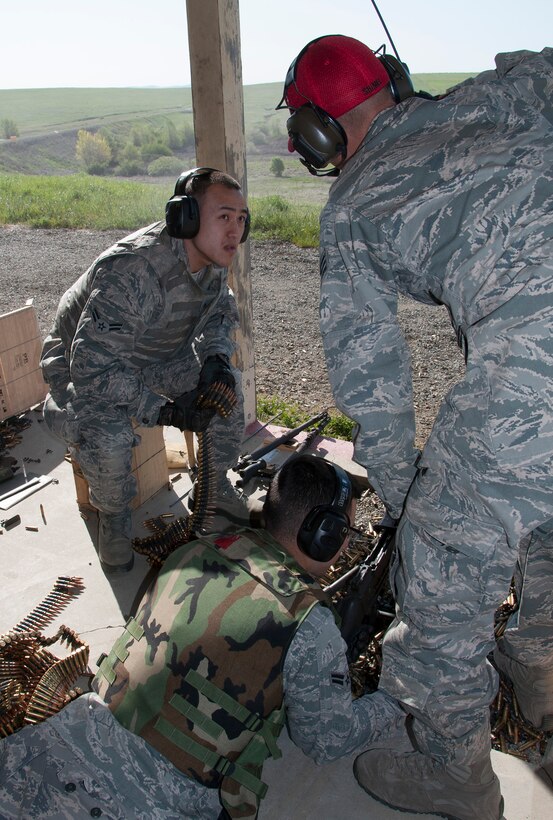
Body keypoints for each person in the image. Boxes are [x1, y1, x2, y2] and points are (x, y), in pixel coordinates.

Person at [278, 34, 553, 820]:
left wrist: (408, 508)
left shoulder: (353, 205)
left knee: (436, 585)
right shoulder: (494, 97)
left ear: (315, 134)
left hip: (533, 353)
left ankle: (452, 774)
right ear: (393, 82)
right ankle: (537, 672)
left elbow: (375, 382)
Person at [0, 454, 406, 819]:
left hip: (64, 737)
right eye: (346, 532)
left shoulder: (195, 551)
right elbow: (328, 741)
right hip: (146, 800)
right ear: (325, 536)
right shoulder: (310, 627)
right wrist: (396, 698)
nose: (349, 542)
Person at [40, 167, 253, 575]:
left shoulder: (212, 256)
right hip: (83, 369)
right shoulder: (134, 270)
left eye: (241, 219)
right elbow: (93, 368)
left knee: (228, 395)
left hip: (157, 355)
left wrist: (216, 359)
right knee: (110, 437)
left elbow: (219, 310)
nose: (235, 231)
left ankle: (215, 483)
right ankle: (114, 518)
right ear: (184, 217)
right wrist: (166, 411)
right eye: (224, 216)